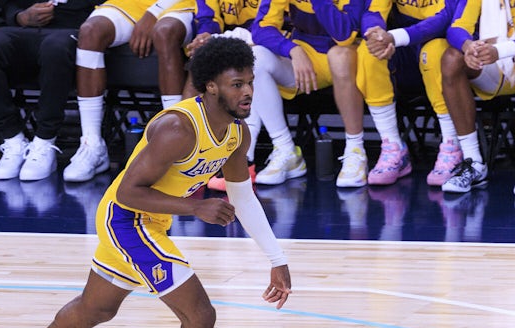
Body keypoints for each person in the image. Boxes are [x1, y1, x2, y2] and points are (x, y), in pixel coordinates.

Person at [0, 37, 292, 328]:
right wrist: (195, 207)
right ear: (209, 87)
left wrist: (277, 260)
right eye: (237, 83)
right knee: (200, 314)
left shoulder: (237, 133)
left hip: (154, 220)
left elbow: (243, 198)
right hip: (126, 219)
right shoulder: (177, 129)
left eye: (249, 82)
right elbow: (129, 192)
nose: (247, 92)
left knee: (97, 308)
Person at [63, 0, 195, 183]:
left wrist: (153, 13)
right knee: (91, 31)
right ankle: (92, 145)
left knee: (164, 32)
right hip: (130, 3)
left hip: (177, 3)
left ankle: (174, 145)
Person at [0, 0, 101, 182]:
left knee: (55, 48)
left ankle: (45, 141)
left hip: (76, 29)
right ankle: (12, 139)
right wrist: (19, 16)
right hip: (23, 30)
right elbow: (2, 7)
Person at [251, 0, 368, 188]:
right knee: (256, 57)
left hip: (348, 52)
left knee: (340, 56)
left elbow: (344, 35)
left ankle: (356, 150)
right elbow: (260, 28)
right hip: (305, 53)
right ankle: (286, 149)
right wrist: (292, 50)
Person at [358, 0, 460, 187]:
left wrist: (393, 37)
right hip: (401, 50)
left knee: (436, 51)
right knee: (368, 52)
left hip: (441, 45)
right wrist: (375, 33)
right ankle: (393, 147)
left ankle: (452, 146)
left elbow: (445, 19)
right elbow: (374, 11)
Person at [184, 0, 268, 190]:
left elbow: (269, 28)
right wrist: (206, 36)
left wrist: (220, 40)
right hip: (231, 43)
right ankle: (192, 153)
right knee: (202, 60)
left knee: (245, 72)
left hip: (278, 48)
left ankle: (247, 160)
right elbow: (208, 17)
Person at [441, 0, 515, 194]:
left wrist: (499, 51)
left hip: (502, 53)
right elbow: (457, 27)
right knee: (452, 59)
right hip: (499, 69)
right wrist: (469, 47)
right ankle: (473, 162)